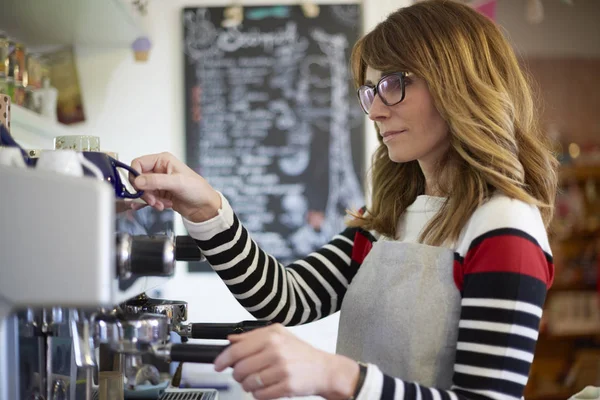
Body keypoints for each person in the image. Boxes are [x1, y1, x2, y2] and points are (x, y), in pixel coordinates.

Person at [129, 1, 558, 399]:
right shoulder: (390, 219)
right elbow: (285, 298)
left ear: (458, 83)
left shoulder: (504, 225)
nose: (374, 111)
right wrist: (205, 208)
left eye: (392, 84)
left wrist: (336, 374)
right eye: (370, 91)